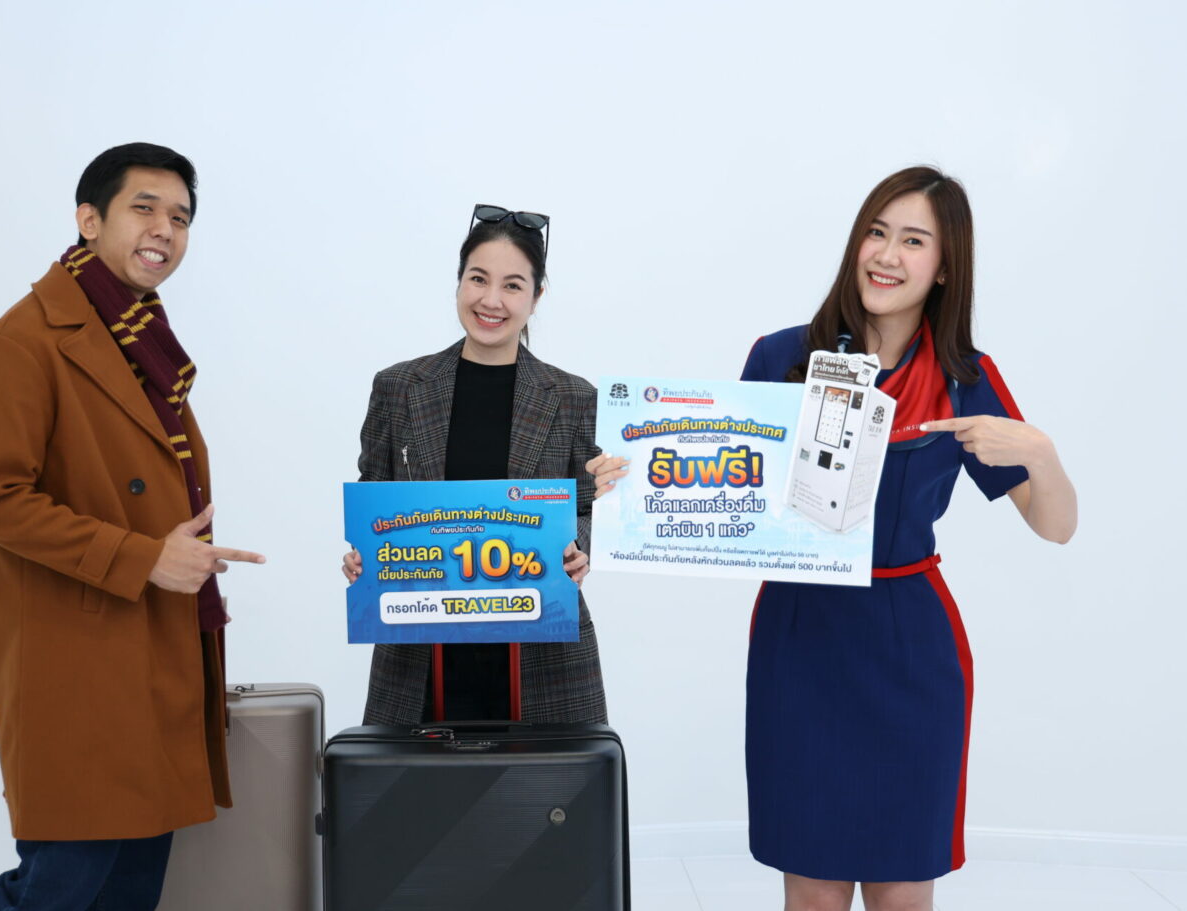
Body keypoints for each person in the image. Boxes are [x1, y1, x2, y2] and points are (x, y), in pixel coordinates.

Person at [590, 166, 1076, 911]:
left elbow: (1055, 525)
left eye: (913, 241)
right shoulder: (781, 357)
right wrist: (630, 482)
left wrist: (1040, 452)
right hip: (802, 637)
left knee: (901, 892)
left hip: (909, 644)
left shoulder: (964, 377)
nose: (887, 254)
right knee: (813, 891)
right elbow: (717, 485)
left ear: (945, 267)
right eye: (877, 233)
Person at [0, 143, 265, 911]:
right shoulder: (25, 340)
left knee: (129, 892)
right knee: (59, 889)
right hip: (82, 662)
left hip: (154, 653)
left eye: (181, 217)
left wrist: (168, 562)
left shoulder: (141, 339)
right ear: (89, 219)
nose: (165, 229)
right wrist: (144, 558)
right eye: (144, 208)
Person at [342, 205, 607, 725]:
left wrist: (579, 546)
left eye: (513, 286)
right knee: (412, 778)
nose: (491, 300)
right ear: (459, 282)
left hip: (542, 653)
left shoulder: (573, 397)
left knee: (545, 780)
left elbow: (590, 508)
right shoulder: (399, 388)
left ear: (536, 297)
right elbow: (374, 493)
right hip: (418, 651)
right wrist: (362, 553)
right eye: (478, 279)